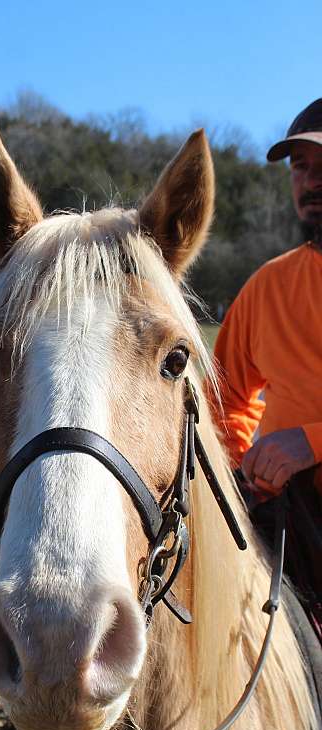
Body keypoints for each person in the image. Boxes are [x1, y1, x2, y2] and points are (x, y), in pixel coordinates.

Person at [210, 98, 322, 605]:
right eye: (300, 167)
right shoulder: (269, 285)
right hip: (290, 526)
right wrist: (245, 473)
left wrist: (314, 444)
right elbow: (223, 400)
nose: (311, 180)